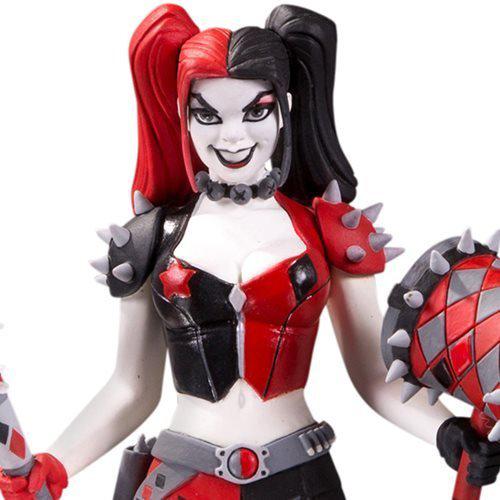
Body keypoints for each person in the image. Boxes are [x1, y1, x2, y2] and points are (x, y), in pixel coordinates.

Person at [0, 4, 498, 499]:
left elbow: (373, 376)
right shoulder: (151, 240)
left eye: (255, 111)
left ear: (283, 110)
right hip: (184, 481)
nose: (233, 136)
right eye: (207, 115)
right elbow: (131, 388)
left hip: (300, 479)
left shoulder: (330, 233)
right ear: (184, 117)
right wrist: (56, 463)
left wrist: (446, 432)